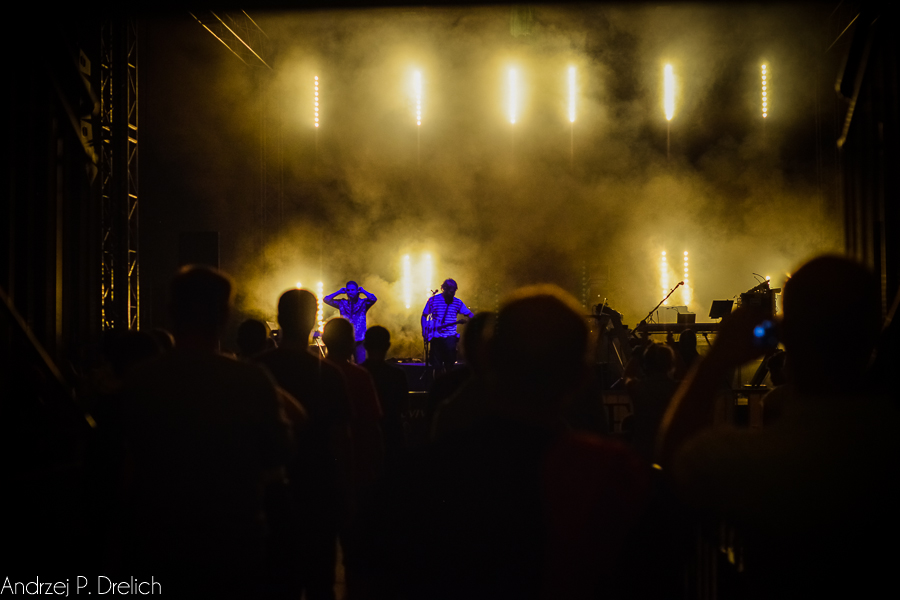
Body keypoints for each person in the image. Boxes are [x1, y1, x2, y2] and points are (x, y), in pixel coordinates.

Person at [657, 255, 899, 598]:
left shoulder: (760, 459)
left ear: (785, 333)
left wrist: (715, 361)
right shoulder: (885, 437)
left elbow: (676, 460)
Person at [120, 265, 293, 598]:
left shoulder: (140, 379)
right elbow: (280, 451)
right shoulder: (249, 379)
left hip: (159, 541)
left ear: (172, 312)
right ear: (224, 315)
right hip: (233, 541)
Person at [256, 289, 352, 600]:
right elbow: (340, 439)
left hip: (271, 492)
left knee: (276, 584)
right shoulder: (330, 375)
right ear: (313, 321)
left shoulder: (257, 371)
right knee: (320, 583)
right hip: (318, 490)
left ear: (279, 318)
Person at [421, 278, 474, 376]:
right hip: (436, 337)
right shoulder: (433, 300)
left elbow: (469, 314)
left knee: (449, 366)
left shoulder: (458, 302)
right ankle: (437, 384)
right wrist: (424, 330)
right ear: (444, 288)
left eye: (454, 291)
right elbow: (424, 315)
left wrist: (472, 319)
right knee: (437, 367)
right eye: (451, 291)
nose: (453, 294)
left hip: (450, 337)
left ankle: (448, 384)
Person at [323, 281, 377, 364]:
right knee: (342, 363)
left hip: (359, 339)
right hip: (344, 339)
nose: (350, 292)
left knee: (360, 363)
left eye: (352, 290)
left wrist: (363, 291)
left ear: (357, 291)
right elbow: (326, 299)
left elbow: (373, 299)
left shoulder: (363, 303)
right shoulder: (342, 303)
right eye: (348, 290)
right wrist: (339, 292)